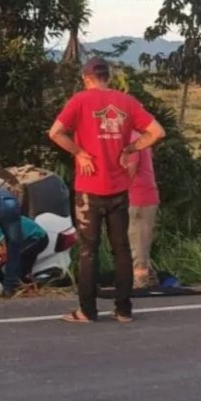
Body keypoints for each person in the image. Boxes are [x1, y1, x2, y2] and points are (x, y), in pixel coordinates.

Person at [48, 57, 165, 323]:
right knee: (121, 248)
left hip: (89, 188)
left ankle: (87, 310)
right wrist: (132, 148)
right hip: (119, 189)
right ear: (108, 77)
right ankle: (123, 309)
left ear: (85, 78)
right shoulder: (127, 103)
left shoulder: (79, 101)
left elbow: (55, 132)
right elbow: (157, 132)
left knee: (89, 250)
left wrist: (80, 153)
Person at [125, 131, 160, 289]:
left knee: (137, 239)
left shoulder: (130, 139)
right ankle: (149, 276)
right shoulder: (140, 136)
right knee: (141, 239)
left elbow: (130, 168)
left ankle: (141, 280)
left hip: (137, 195)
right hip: (145, 193)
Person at [0, 216, 49, 283]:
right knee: (24, 268)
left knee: (18, 262)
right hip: (32, 238)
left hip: (37, 238)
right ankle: (27, 284)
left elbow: (6, 252)